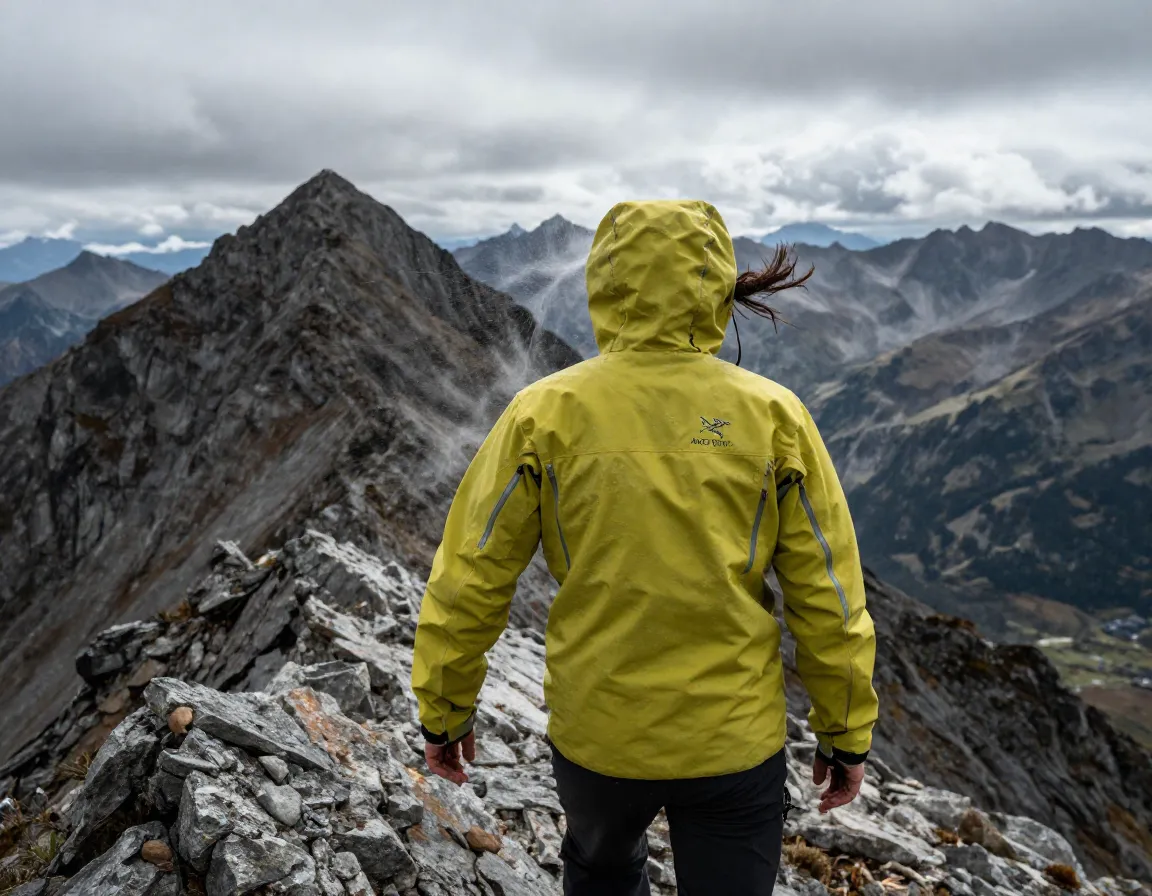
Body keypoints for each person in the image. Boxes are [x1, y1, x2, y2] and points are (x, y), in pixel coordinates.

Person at [411, 200, 879, 895]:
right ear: (717, 282)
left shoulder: (544, 412)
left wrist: (445, 711)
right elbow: (829, 595)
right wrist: (846, 734)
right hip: (733, 740)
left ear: (604, 282)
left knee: (600, 872)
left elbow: (471, 576)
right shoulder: (774, 415)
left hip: (598, 735)